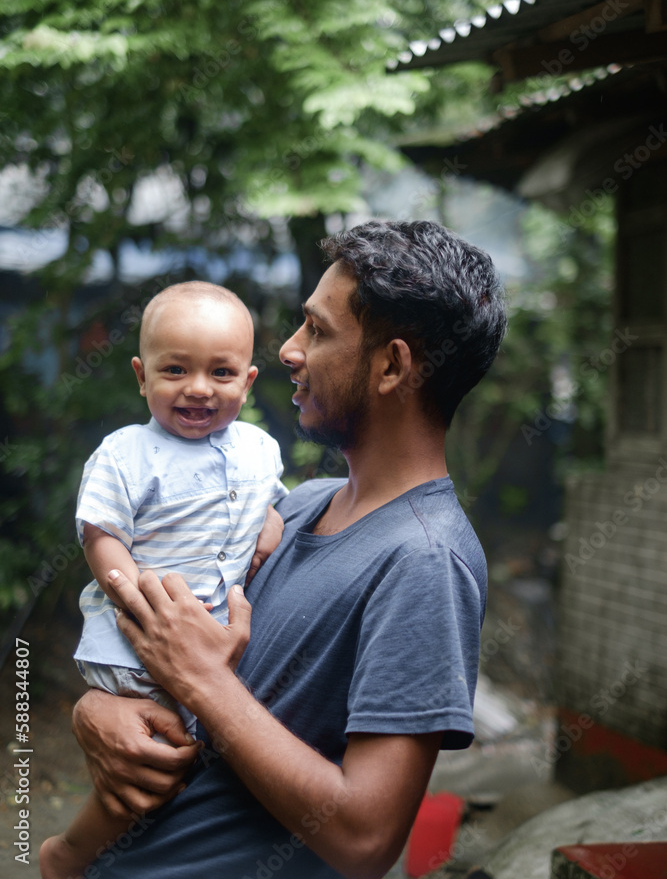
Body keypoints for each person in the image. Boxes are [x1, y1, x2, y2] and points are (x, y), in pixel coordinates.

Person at [65, 220, 507, 879]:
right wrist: (97, 707)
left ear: (391, 366)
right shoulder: (295, 505)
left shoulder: (424, 559)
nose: (288, 350)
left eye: (317, 331)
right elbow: (193, 677)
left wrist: (202, 683)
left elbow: (364, 840)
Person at [40, 281, 287, 879]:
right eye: (175, 369)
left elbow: (272, 505)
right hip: (139, 642)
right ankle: (71, 852)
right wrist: (135, 599)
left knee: (201, 755)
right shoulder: (125, 454)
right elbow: (102, 535)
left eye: (221, 373)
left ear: (248, 382)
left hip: (209, 643)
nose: (199, 388)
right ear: (141, 375)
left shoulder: (260, 449)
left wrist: (271, 526)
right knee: (160, 755)